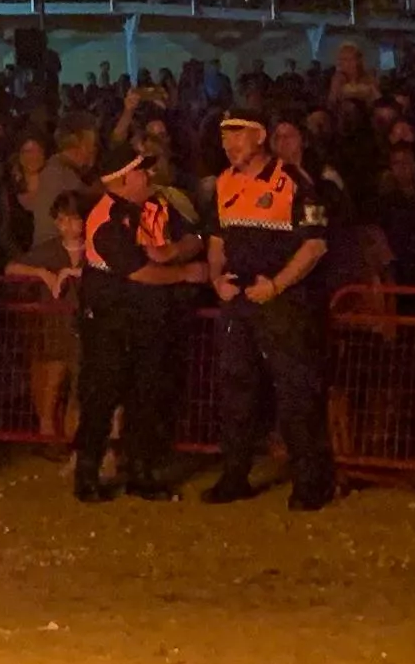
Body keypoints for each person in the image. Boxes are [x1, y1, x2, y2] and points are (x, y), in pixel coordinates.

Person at [202, 109, 336, 508]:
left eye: (237, 135)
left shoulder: (294, 182)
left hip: (285, 302)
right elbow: (216, 240)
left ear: (260, 136)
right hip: (240, 301)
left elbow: (316, 244)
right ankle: (234, 476)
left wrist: (277, 284)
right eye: (225, 137)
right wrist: (216, 278)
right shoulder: (224, 184)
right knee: (235, 391)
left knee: (296, 392)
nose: (228, 144)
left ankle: (311, 483)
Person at [70, 141, 202, 502]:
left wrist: (176, 251)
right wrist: (186, 271)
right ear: (124, 180)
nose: (149, 176)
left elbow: (195, 235)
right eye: (141, 171)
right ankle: (87, 474)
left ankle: (140, 472)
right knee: (102, 396)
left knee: (147, 395)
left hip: (147, 318)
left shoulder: (155, 205)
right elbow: (139, 272)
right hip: (111, 322)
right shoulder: (106, 220)